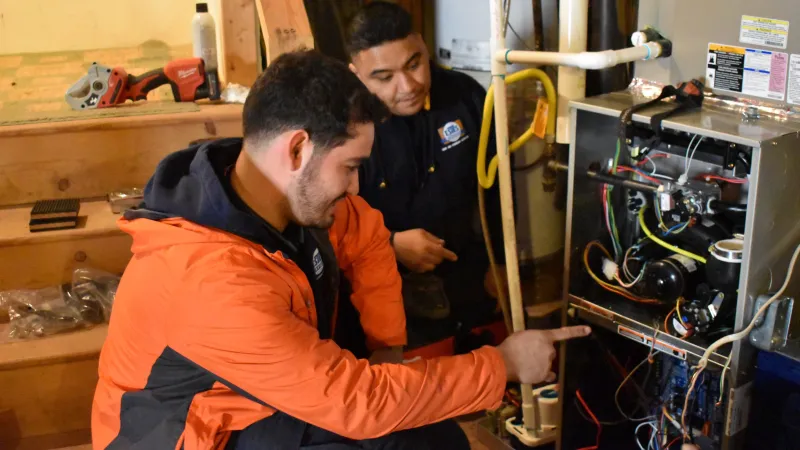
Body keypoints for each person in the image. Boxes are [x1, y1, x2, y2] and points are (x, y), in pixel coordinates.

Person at [91, 49, 590, 450]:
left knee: (427, 434)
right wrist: (500, 364)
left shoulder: (274, 193)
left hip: (247, 401)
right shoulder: (209, 279)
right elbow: (356, 402)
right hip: (187, 432)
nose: (355, 187)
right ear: (296, 149)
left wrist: (388, 350)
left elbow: (368, 237)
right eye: (350, 167)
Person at [345, 2, 511, 347]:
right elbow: (331, 221)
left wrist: (503, 268)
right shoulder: (346, 124)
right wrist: (390, 244)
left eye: (414, 63)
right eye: (384, 77)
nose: (407, 85)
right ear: (356, 74)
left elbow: (498, 190)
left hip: (468, 278)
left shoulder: (466, 96)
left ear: (422, 44)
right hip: (383, 290)